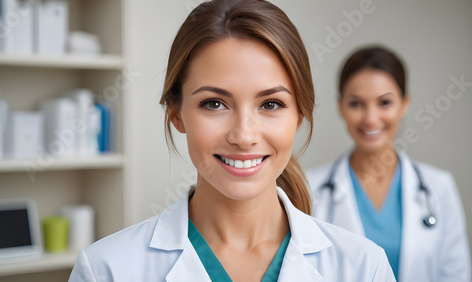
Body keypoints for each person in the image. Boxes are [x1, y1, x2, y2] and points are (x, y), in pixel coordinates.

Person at [68, 1, 396, 281]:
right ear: (177, 114)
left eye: (271, 104)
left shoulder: (364, 268)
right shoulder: (105, 270)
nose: (243, 136)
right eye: (214, 103)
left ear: (299, 115)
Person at [306, 46, 471, 282]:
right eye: (356, 104)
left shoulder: (439, 187)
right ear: (341, 106)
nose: (371, 118)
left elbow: (456, 275)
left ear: (404, 104)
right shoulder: (310, 188)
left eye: (384, 103)